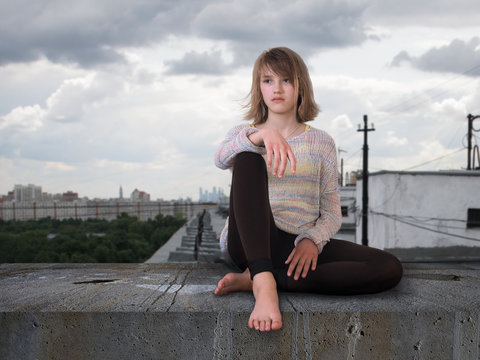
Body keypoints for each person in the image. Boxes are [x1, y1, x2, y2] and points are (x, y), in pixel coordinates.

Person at [213, 47, 403, 332]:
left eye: (286, 80)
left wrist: (312, 240)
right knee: (247, 158)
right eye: (268, 81)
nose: (277, 89)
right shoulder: (244, 134)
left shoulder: (322, 142)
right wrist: (262, 136)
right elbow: (220, 158)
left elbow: (331, 212)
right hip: (252, 243)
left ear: (300, 85)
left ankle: (263, 278)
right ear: (259, 88)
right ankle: (264, 284)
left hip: (296, 246)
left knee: (388, 267)